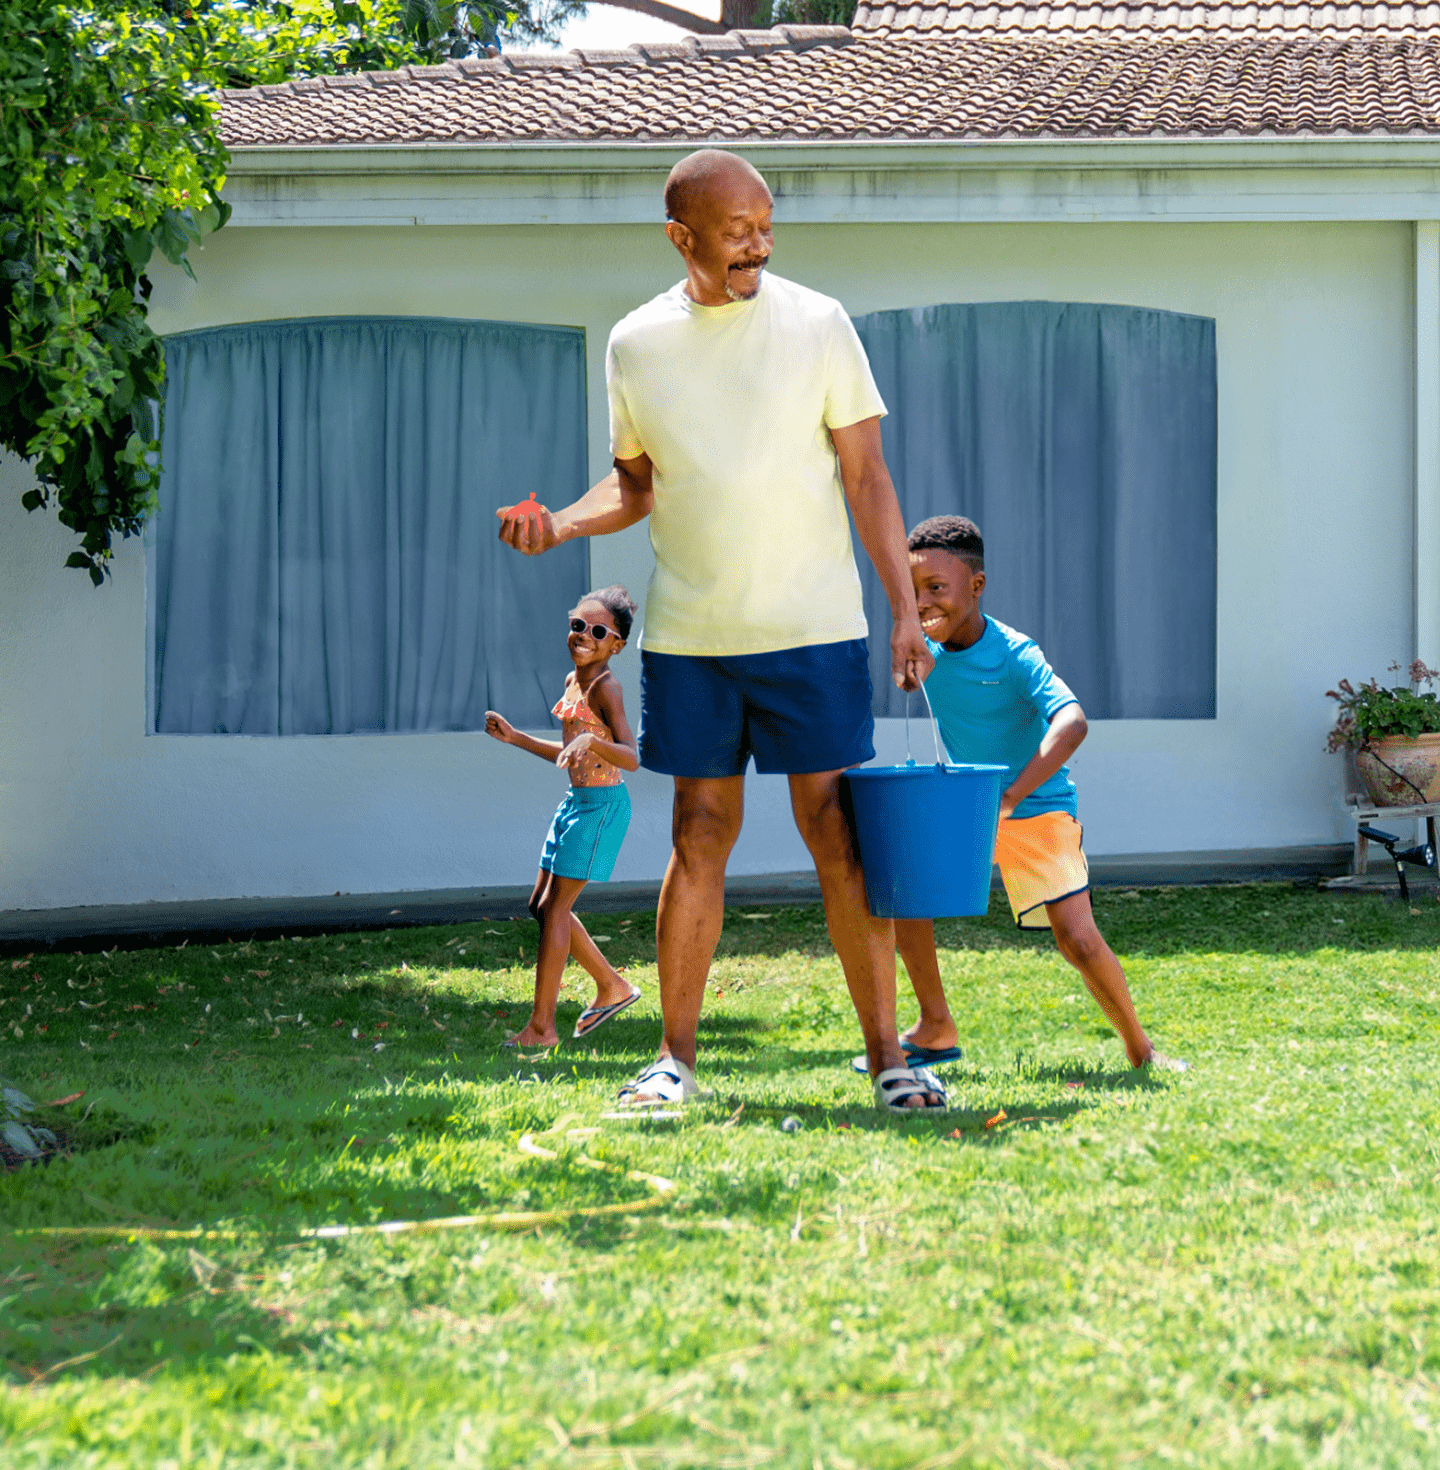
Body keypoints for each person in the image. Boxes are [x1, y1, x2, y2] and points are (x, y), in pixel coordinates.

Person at [497, 148, 943, 1112]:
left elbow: (866, 476)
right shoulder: (636, 344)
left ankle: (889, 1061)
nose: (759, 243)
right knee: (698, 833)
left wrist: (905, 607)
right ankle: (674, 1061)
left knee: (838, 836)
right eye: (737, 230)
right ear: (682, 237)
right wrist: (562, 525)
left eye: (766, 225)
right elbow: (635, 483)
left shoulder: (819, 323)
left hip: (814, 630)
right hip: (694, 639)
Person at [887, 515, 1186, 1073]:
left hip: (1036, 806)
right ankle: (935, 1024)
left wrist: (1010, 796)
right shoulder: (928, 647)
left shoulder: (1015, 652)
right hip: (971, 806)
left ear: (976, 588)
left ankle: (1142, 1050)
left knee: (1075, 938)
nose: (924, 602)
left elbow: (1072, 722)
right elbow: (917, 682)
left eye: (937, 589)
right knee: (907, 894)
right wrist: (910, 672)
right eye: (914, 590)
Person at [484, 586, 642, 1049]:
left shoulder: (605, 686)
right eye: (577, 625)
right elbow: (569, 755)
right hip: (576, 802)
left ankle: (542, 1028)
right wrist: (517, 739)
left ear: (615, 644)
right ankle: (612, 986)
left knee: (557, 908)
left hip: (603, 808)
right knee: (541, 905)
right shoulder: (574, 681)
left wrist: (593, 742)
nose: (582, 636)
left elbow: (632, 755)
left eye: (597, 631)